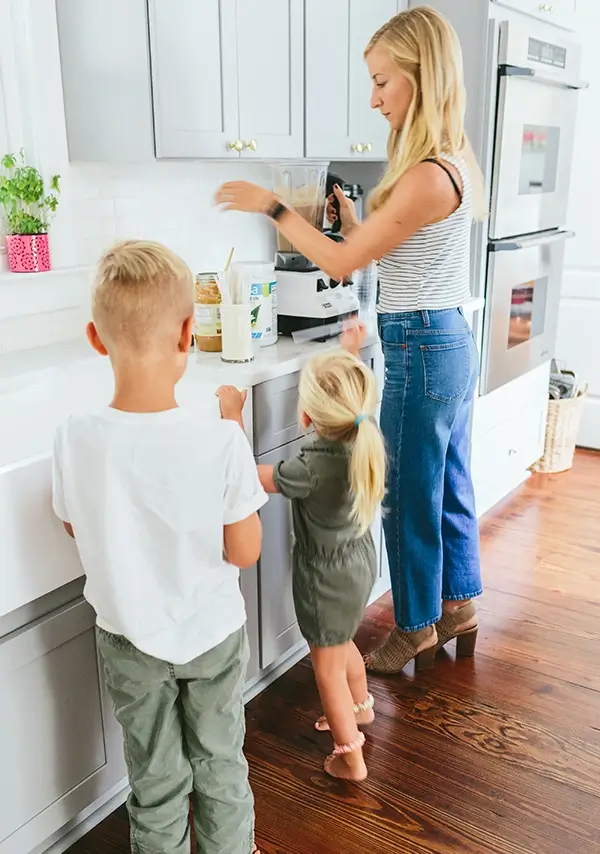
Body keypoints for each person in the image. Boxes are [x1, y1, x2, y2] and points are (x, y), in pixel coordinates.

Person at [215, 6, 484, 675]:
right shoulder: (452, 159)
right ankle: (459, 604)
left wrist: (272, 205)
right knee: (447, 482)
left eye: (383, 82)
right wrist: (361, 221)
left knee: (406, 492)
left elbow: (339, 263)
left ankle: (417, 625)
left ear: (420, 78)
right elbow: (395, 250)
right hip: (445, 337)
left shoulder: (424, 172)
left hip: (422, 344)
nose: (374, 98)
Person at [52, 240, 265, 854]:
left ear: (96, 338)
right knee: (220, 765)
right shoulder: (219, 441)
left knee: (155, 778)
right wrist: (235, 431)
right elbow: (245, 550)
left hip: (128, 640)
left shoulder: (74, 437)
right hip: (212, 636)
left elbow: (75, 526)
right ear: (189, 335)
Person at [218, 323, 386, 782]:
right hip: (359, 566)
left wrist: (232, 416)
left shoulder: (308, 467)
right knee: (343, 640)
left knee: (326, 667)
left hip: (324, 582)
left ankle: (350, 757)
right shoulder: (362, 440)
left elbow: (247, 475)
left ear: (308, 419)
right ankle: (360, 709)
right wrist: (348, 353)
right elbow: (349, 393)